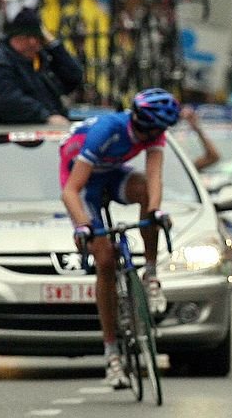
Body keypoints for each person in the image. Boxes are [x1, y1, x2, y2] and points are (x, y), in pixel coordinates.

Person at [59, 88, 180, 388]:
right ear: (140, 122)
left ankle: (150, 274)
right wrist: (82, 226)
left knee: (148, 199)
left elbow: (154, 177)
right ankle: (111, 353)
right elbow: (70, 191)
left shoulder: (155, 133)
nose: (156, 135)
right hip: (81, 180)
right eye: (153, 130)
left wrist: (155, 210)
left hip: (111, 173)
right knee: (105, 260)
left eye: (160, 130)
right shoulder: (107, 130)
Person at [0, 7, 83, 124]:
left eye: (39, 38)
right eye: (28, 38)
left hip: (47, 129)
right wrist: (46, 116)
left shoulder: (40, 61)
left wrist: (54, 46)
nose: (35, 44)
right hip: (13, 131)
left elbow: (73, 77)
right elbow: (8, 101)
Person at [180, 106, 222, 171]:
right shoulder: (179, 168)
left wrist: (196, 128)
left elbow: (213, 157)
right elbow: (213, 157)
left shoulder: (182, 168)